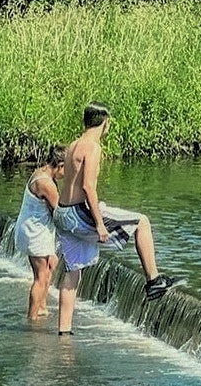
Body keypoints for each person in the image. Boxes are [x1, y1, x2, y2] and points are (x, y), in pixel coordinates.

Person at [53, 102, 182, 335]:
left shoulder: (73, 145)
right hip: (78, 214)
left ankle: (64, 331)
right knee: (142, 222)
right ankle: (153, 280)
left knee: (73, 271)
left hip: (61, 213)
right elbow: (88, 187)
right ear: (105, 123)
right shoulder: (93, 147)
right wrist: (100, 224)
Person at [15, 146, 65, 321]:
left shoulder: (41, 172)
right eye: (66, 169)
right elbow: (59, 212)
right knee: (40, 276)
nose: (66, 175)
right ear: (59, 165)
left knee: (50, 266)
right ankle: (32, 317)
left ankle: (42, 306)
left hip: (36, 229)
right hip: (34, 232)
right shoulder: (46, 184)